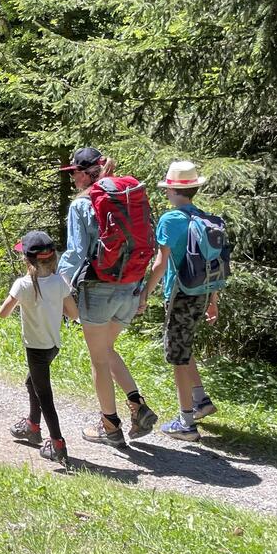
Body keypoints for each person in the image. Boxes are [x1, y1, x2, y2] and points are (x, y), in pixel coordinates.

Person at [58, 147, 159, 447]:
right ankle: (137, 405)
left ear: (86, 172)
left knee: (99, 359)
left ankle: (109, 427)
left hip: (99, 287)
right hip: (129, 287)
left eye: (74, 172)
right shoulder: (128, 197)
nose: (72, 177)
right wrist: (141, 289)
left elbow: (76, 254)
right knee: (108, 348)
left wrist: (57, 291)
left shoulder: (82, 205)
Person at [138, 162, 222, 442]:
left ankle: (186, 422)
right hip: (201, 292)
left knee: (177, 355)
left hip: (180, 294)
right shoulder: (205, 218)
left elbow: (161, 263)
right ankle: (200, 400)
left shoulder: (170, 220)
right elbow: (213, 262)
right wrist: (213, 299)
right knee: (183, 345)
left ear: (172, 190)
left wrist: (144, 293)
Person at [0, 231, 80, 463]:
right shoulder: (59, 283)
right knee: (31, 382)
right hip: (53, 345)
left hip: (35, 348)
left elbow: (2, 313)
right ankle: (32, 426)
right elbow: (73, 314)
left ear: (27, 260)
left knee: (45, 396)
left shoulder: (23, 285)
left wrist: (18, 300)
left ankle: (57, 443)